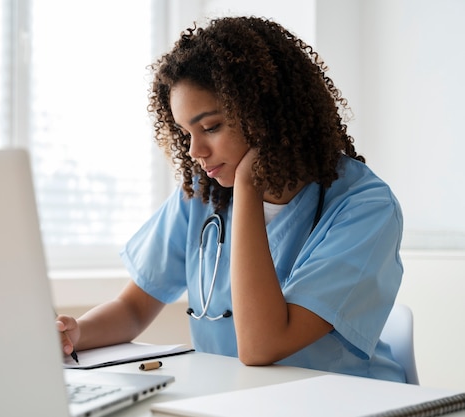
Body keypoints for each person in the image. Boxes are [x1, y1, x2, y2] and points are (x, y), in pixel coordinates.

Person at [56, 16, 405, 382]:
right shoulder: (202, 194)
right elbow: (133, 308)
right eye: (185, 132)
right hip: (237, 399)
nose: (195, 150)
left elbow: (261, 347)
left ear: (265, 114)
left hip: (345, 404)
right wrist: (76, 333)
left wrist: (248, 187)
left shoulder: (365, 208)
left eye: (211, 127)